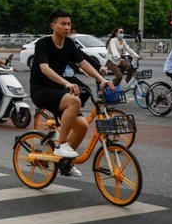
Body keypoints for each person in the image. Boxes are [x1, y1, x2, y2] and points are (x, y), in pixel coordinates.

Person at [30, 11, 113, 160]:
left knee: (82, 127)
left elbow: (83, 63)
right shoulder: (43, 43)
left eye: (69, 24)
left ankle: (65, 162)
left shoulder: (68, 43)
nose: (67, 27)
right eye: (63, 24)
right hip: (41, 90)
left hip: (58, 91)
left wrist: (102, 79)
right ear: (53, 25)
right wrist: (67, 82)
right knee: (75, 101)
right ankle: (61, 145)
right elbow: (45, 69)